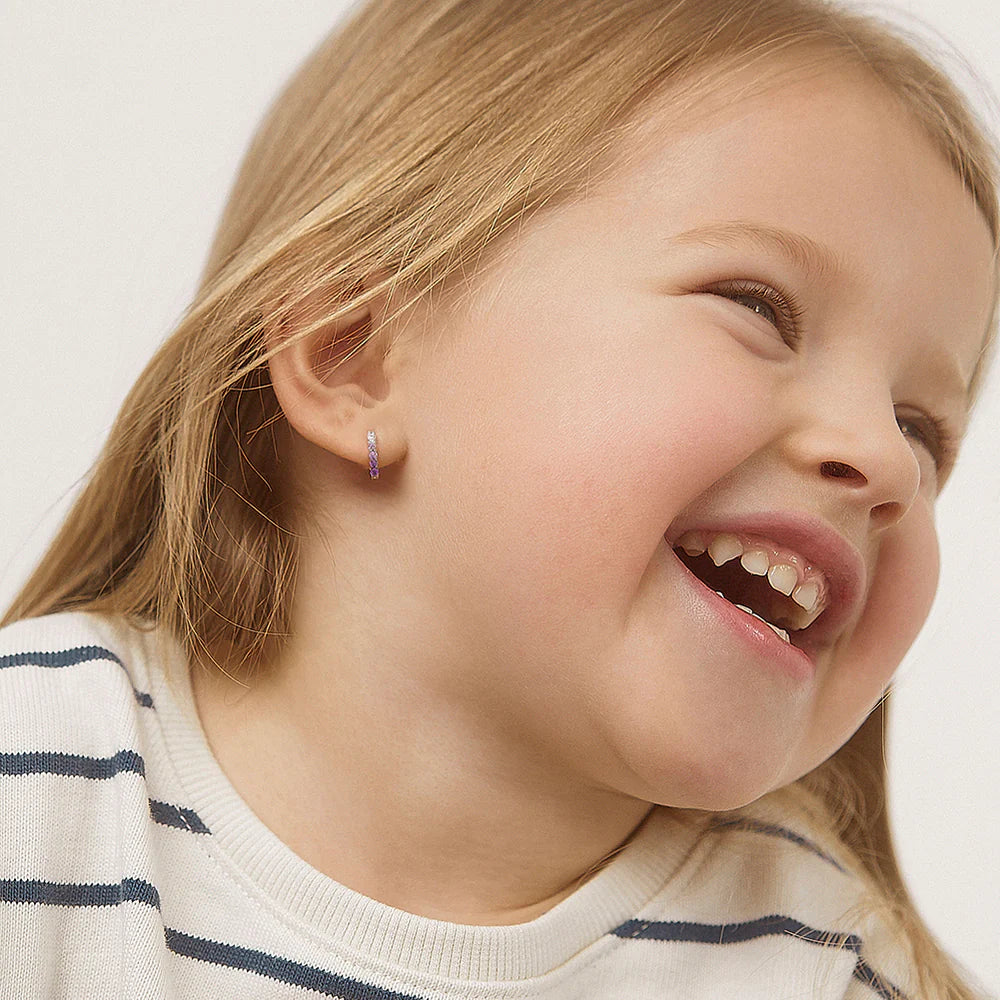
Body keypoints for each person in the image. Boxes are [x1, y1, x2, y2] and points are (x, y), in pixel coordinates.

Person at [1, 0, 996, 996]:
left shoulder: (830, 971)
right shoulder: (32, 790)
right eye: (758, 308)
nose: (887, 459)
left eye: (921, 427)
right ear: (352, 353)